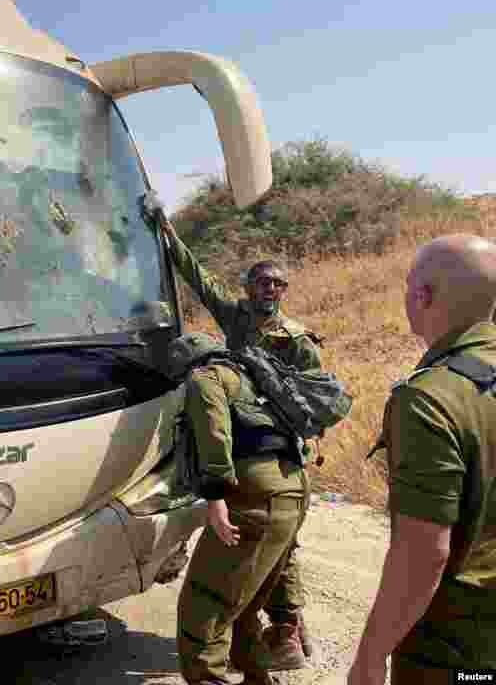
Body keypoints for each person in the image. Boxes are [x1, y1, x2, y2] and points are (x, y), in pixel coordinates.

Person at [147, 201, 320, 668]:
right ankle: (262, 637)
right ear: (249, 287)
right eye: (263, 282)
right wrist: (167, 233)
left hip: (275, 439)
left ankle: (284, 630)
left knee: (280, 539)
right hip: (234, 423)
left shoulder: (296, 339)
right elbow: (198, 279)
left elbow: (311, 398)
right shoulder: (236, 316)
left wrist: (305, 442)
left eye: (279, 283)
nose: (271, 289)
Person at [348, 234, 496, 685]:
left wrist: (372, 656)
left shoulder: (430, 398)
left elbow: (423, 554)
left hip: (458, 650)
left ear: (422, 296)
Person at [170, 331, 310, 685]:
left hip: (253, 494)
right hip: (294, 487)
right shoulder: (251, 374)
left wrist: (215, 498)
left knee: (204, 606)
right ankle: (257, 677)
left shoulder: (204, 378)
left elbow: (214, 434)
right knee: (244, 602)